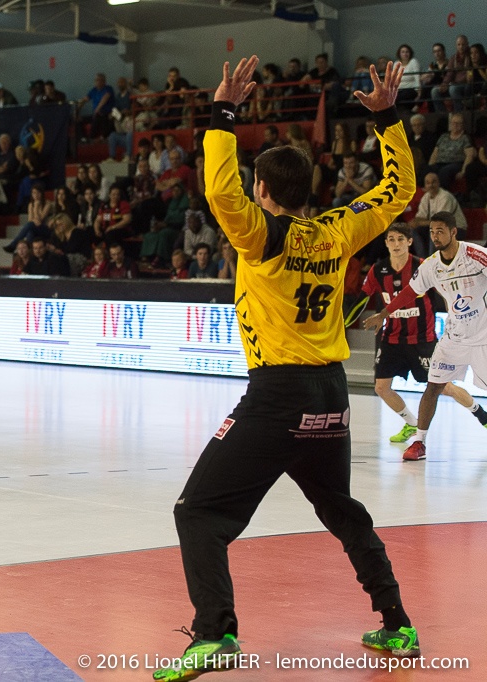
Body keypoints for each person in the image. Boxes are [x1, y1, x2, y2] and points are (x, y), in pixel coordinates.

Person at [152, 57, 419, 682]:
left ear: (263, 191)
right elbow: (398, 191)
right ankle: (397, 622)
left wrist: (223, 114)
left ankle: (215, 634)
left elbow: (219, 191)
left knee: (198, 513)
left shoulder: (260, 235)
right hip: (330, 394)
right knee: (341, 509)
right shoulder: (338, 230)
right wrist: (388, 118)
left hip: (277, 396)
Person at [364, 212, 487, 462]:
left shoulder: (474, 254)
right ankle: (419, 442)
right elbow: (409, 293)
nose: (435, 236)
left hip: (482, 336)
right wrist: (384, 314)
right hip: (453, 337)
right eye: (432, 231)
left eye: (440, 231)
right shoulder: (430, 265)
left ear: (453, 232)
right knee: (433, 386)